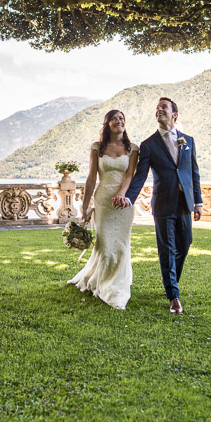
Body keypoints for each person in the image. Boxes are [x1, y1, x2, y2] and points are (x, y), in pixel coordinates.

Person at [124, 97, 202, 314]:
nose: (159, 110)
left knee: (185, 243)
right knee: (167, 249)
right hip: (163, 204)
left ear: (174, 115)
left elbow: (193, 173)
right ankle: (173, 296)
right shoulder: (148, 145)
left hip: (185, 202)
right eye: (157, 108)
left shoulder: (188, 141)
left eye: (163, 108)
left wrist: (198, 202)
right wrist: (129, 197)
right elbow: (140, 177)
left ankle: (171, 280)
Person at [68, 109, 139, 310]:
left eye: (122, 119)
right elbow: (91, 178)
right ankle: (103, 283)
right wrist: (84, 204)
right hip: (102, 201)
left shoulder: (132, 149)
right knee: (105, 245)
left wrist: (123, 195)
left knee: (121, 245)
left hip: (123, 204)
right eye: (114, 119)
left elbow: (129, 175)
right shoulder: (97, 147)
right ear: (107, 124)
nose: (119, 121)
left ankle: (117, 286)